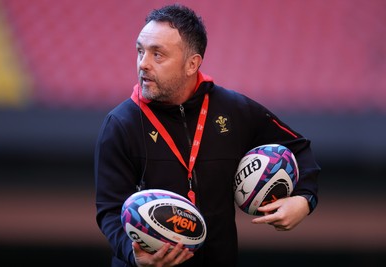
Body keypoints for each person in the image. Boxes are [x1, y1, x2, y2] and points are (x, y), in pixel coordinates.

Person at [94, 4, 320, 267]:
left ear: (192, 64)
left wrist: (304, 200)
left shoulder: (234, 110)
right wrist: (133, 255)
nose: (143, 63)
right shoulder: (120, 124)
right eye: (140, 51)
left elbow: (299, 148)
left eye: (158, 55)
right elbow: (109, 211)